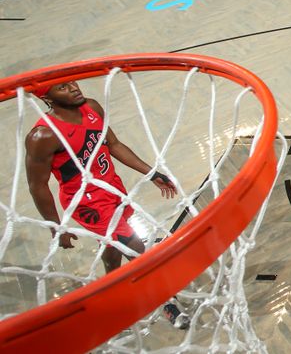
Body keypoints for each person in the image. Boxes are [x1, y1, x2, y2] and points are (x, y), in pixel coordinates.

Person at [25, 81, 189, 328]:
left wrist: (152, 173)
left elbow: (113, 144)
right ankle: (165, 301)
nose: (72, 88)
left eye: (71, 82)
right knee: (133, 246)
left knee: (112, 249)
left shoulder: (92, 107)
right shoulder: (43, 135)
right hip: (88, 203)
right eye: (62, 88)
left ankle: (112, 292)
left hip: (113, 188)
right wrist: (56, 227)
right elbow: (38, 186)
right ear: (47, 98)